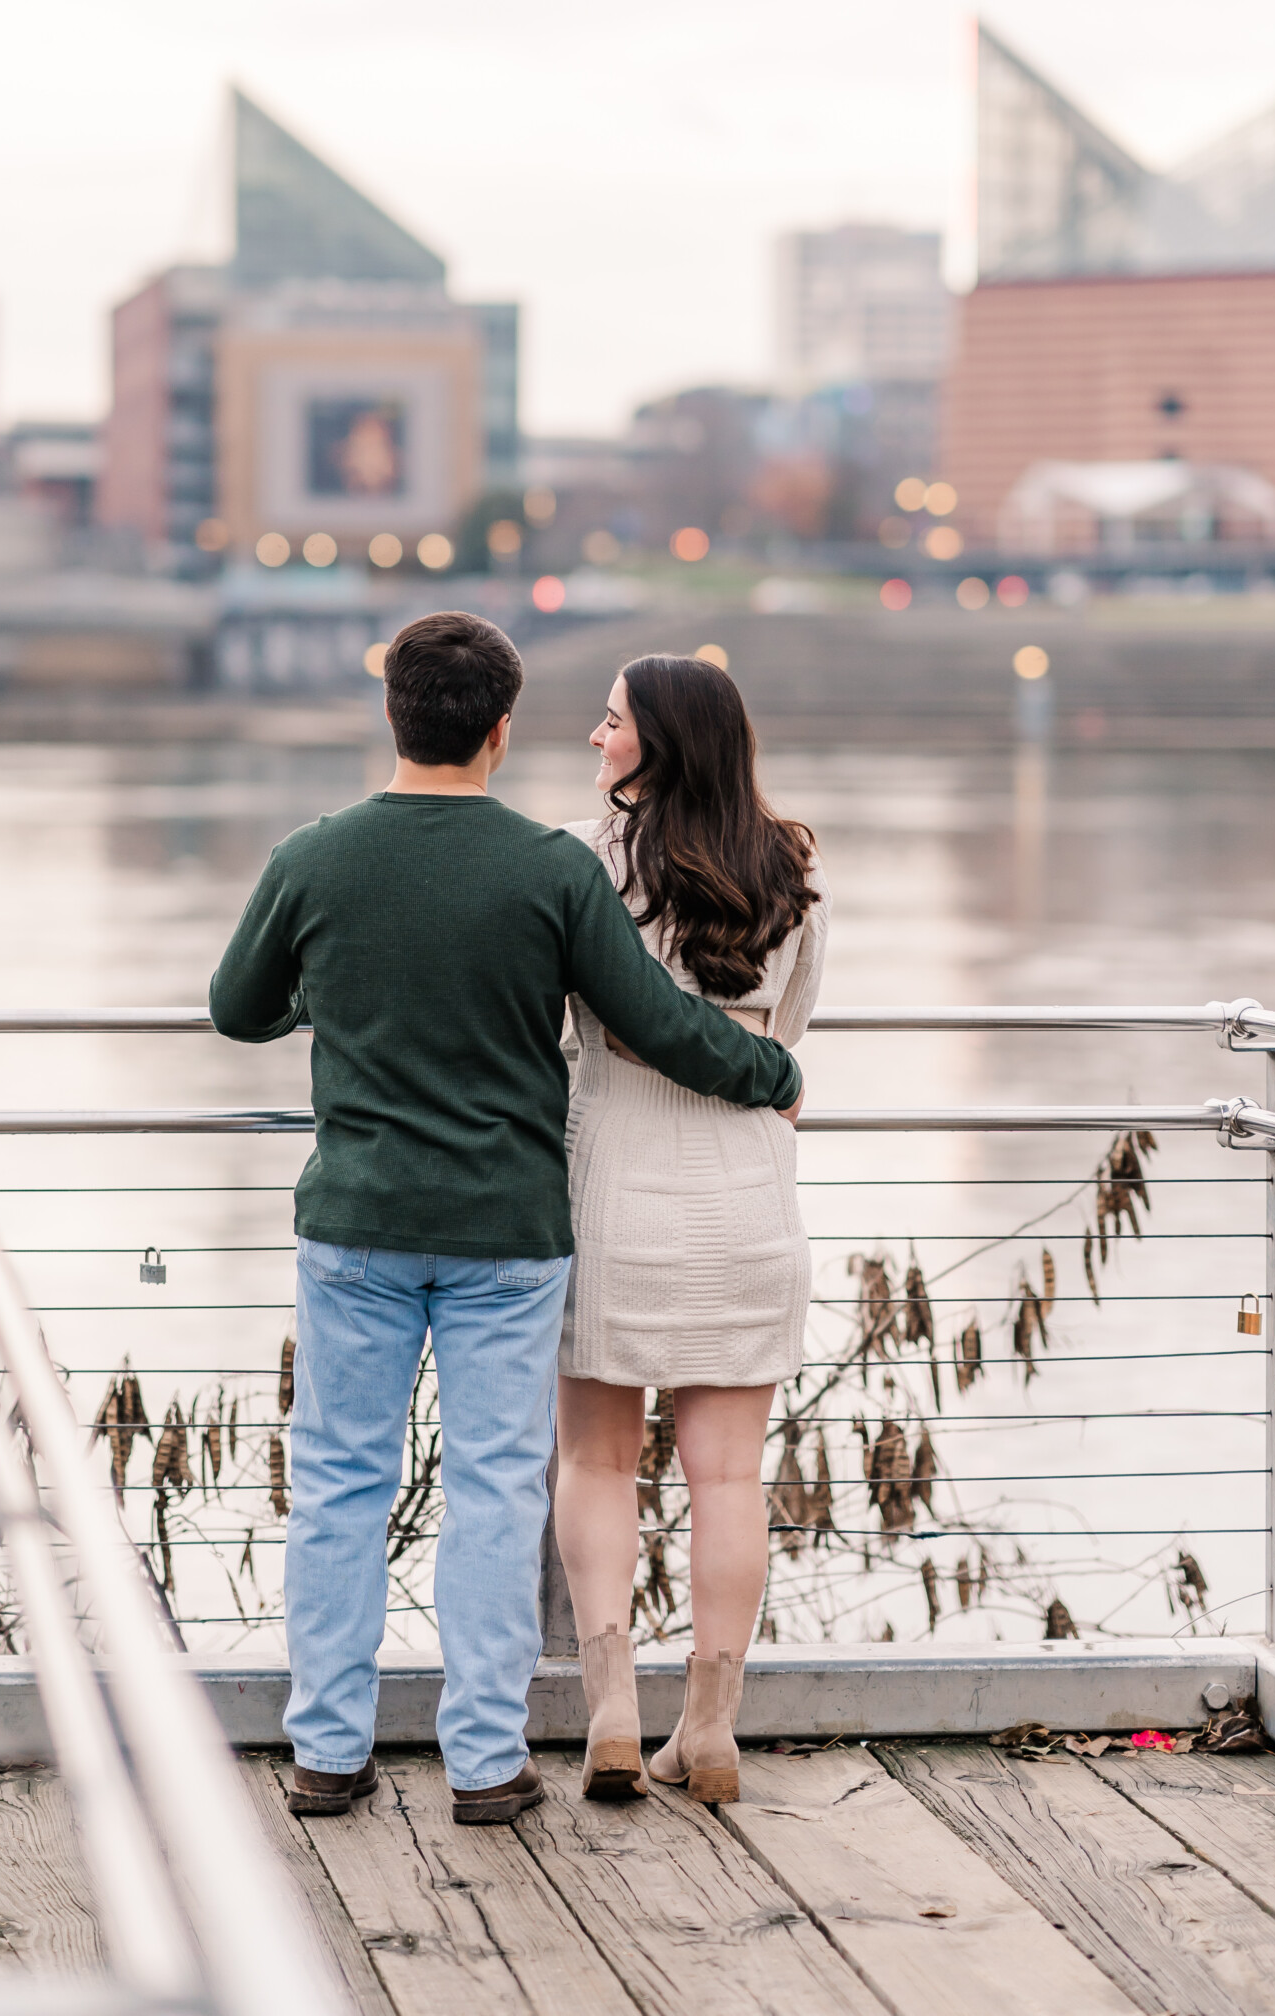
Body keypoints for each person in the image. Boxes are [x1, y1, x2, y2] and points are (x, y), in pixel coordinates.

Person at [208, 612, 803, 1827]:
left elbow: (237, 1008)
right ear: (499, 730)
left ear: (394, 715)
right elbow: (655, 1018)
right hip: (508, 1233)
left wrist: (335, 994)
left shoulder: (313, 857)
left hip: (358, 1223)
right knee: (495, 1489)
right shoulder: (550, 866)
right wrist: (772, 1076)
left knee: (335, 1485)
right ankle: (485, 1763)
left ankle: (327, 1749)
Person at [554, 654, 829, 1804]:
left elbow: (565, 1017)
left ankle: (613, 1708)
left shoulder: (585, 860)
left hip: (616, 1182)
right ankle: (710, 1727)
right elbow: (791, 1033)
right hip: (748, 1195)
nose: (593, 737)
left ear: (656, 742)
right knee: (728, 1480)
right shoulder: (793, 864)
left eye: (610, 721)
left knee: (597, 1458)